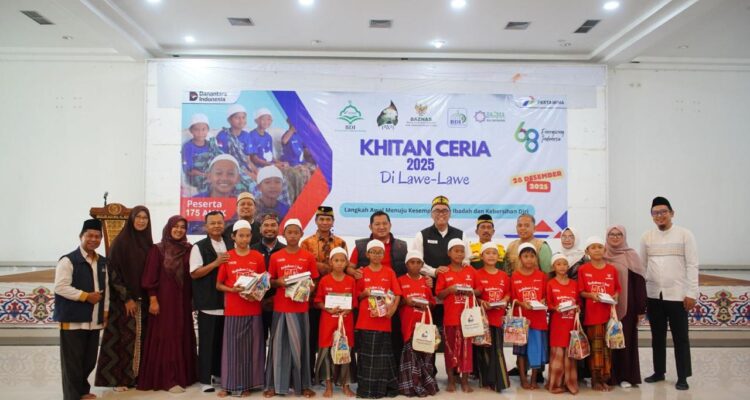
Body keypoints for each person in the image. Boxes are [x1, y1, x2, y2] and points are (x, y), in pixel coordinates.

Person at [640, 196, 698, 391]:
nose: (660, 216)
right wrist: (642, 295)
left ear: (672, 213)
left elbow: (692, 265)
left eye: (663, 212)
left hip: (678, 296)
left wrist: (691, 293)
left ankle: (683, 376)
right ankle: (659, 372)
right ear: (652, 216)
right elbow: (643, 266)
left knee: (681, 338)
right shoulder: (647, 237)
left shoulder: (685, 235)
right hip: (654, 295)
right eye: (655, 213)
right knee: (657, 336)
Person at [138, 216, 197, 393]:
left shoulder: (189, 249)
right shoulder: (158, 249)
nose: (179, 230)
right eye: (175, 226)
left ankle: (184, 375)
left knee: (182, 333)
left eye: (183, 227)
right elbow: (150, 277)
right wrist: (153, 299)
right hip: (164, 301)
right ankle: (169, 378)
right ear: (168, 228)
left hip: (183, 301)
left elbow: (193, 275)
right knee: (167, 336)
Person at [95, 206, 152, 392]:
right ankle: (119, 379)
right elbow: (113, 273)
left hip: (143, 300)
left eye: (145, 218)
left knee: (140, 338)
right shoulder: (121, 242)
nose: (141, 221)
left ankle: (136, 376)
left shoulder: (148, 243)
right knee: (123, 340)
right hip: (123, 302)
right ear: (131, 219)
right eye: (138, 217)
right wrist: (127, 298)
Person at [54, 218, 109, 400]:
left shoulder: (102, 262)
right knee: (72, 362)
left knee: (88, 361)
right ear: (81, 236)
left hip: (94, 320)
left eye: (97, 236)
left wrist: (105, 312)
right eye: (89, 235)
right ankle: (72, 396)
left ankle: (83, 391)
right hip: (73, 319)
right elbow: (60, 287)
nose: (93, 239)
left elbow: (106, 289)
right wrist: (86, 296)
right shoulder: (68, 260)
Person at [347, 210, 410, 366]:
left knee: (394, 339)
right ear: (370, 226)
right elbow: (349, 267)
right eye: (377, 224)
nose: (381, 227)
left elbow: (411, 268)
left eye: (384, 223)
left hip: (394, 300)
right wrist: (354, 272)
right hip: (368, 304)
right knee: (368, 343)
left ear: (390, 225)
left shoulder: (402, 246)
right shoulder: (360, 246)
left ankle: (393, 373)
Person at [264, 219, 319, 398]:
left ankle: (303, 385)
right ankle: (274, 385)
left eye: (296, 232)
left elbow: (314, 281)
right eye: (290, 232)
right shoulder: (276, 256)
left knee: (301, 347)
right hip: (281, 308)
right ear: (284, 234)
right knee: (278, 347)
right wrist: (278, 282)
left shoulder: (308, 256)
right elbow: (269, 281)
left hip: (301, 308)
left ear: (301, 234)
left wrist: (307, 289)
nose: (293, 235)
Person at [216, 220, 267, 397]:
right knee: (232, 350)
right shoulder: (227, 257)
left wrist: (256, 294)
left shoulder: (258, 257)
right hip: (233, 310)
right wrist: (232, 290)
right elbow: (219, 285)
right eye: (241, 236)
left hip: (253, 310)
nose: (244, 239)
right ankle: (228, 384)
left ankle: (247, 385)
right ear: (233, 237)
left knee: (250, 350)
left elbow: (263, 284)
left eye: (247, 236)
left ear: (251, 237)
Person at [301, 206, 348, 373]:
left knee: (334, 336)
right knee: (311, 336)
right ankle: (309, 373)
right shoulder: (306, 243)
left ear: (333, 222)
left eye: (328, 219)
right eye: (321, 219)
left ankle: (332, 374)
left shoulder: (340, 243)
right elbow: (302, 266)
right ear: (316, 221)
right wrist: (317, 266)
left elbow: (345, 266)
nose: (325, 222)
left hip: (336, 298)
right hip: (313, 297)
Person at [354, 239, 402, 398]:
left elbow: (397, 294)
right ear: (367, 254)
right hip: (365, 321)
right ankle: (366, 390)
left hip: (384, 321)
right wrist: (364, 293)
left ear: (384, 254)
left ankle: (382, 389)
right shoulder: (361, 272)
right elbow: (356, 297)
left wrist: (392, 310)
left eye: (379, 252)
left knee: (382, 359)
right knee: (366, 358)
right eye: (373, 252)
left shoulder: (389, 272)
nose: (376, 255)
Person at [189, 211, 229, 393]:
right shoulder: (199, 247)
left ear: (224, 224)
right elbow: (194, 273)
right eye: (212, 223)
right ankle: (205, 379)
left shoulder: (230, 243)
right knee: (206, 343)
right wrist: (215, 263)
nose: (216, 226)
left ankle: (218, 373)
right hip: (208, 302)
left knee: (222, 342)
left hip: (228, 302)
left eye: (219, 222)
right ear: (206, 226)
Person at [604, 225, 647, 388]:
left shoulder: (631, 256)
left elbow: (639, 283)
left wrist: (640, 308)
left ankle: (626, 376)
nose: (615, 237)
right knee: (607, 341)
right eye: (611, 234)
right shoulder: (602, 254)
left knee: (625, 340)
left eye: (619, 234)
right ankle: (608, 376)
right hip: (605, 307)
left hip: (627, 306)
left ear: (624, 236)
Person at [313, 247, 357, 398]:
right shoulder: (325, 280)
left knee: (345, 352)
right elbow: (318, 300)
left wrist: (348, 309)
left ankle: (345, 385)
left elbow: (354, 302)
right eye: (336, 260)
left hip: (345, 322)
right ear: (330, 262)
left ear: (346, 263)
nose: (339, 263)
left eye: (342, 260)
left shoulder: (351, 281)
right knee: (326, 353)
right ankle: (328, 385)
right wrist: (328, 309)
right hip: (327, 322)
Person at [435, 238, 478, 393]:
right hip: (451, 319)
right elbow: (439, 294)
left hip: (468, 320)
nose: (459, 254)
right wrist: (450, 290)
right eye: (456, 251)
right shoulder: (444, 272)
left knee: (467, 352)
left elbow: (479, 290)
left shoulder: (470, 271)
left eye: (462, 251)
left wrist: (470, 291)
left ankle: (465, 381)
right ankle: (451, 380)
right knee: (450, 351)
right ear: (449, 253)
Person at [578, 236, 620, 392]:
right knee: (596, 349)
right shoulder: (583, 269)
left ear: (605, 250)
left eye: (599, 247)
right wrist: (592, 295)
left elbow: (617, 289)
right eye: (593, 247)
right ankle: (595, 380)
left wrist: (616, 296)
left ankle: (605, 378)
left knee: (607, 348)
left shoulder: (612, 269)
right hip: (592, 315)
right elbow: (581, 291)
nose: (597, 250)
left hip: (608, 316)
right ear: (587, 251)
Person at [397, 251, 439, 397]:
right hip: (408, 325)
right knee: (411, 357)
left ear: (422, 265)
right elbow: (396, 302)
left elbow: (432, 303)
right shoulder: (400, 280)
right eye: (412, 262)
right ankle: (410, 387)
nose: (415, 265)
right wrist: (406, 302)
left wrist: (424, 304)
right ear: (406, 264)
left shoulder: (426, 282)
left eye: (418, 262)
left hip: (424, 326)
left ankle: (426, 385)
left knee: (425, 357)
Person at [509, 243, 549, 390]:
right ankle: (523, 379)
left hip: (538, 319)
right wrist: (521, 303)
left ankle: (533, 379)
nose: (529, 259)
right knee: (521, 352)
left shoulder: (542, 276)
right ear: (520, 258)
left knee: (536, 350)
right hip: (521, 320)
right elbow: (511, 299)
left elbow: (546, 296)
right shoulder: (514, 276)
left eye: (532, 256)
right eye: (526, 256)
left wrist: (543, 301)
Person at [474, 242, 511, 392]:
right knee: (484, 350)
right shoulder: (477, 274)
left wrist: (505, 300)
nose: (491, 256)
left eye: (494, 253)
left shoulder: (503, 275)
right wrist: (482, 302)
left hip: (498, 318)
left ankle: (499, 382)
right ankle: (485, 380)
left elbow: (508, 293)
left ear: (498, 256)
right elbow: (473, 295)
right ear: (481, 256)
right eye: (488, 253)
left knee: (497, 350)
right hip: (483, 320)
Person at [546, 253, 579, 395]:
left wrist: (577, 308)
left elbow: (579, 302)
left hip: (571, 325)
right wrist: (555, 308)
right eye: (558, 264)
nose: (562, 267)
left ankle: (570, 384)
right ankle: (554, 384)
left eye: (565, 264)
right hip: (557, 326)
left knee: (570, 357)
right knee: (557, 356)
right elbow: (548, 304)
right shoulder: (550, 284)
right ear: (553, 267)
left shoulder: (574, 284)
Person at [251, 212, 286, 342]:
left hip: (280, 305)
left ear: (278, 228)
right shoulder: (252, 250)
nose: (269, 228)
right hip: (256, 304)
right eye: (266, 225)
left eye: (273, 225)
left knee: (279, 342)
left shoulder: (286, 250)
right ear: (260, 229)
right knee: (257, 342)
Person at [216, 104, 257, 179]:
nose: (241, 120)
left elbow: (247, 160)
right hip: (229, 168)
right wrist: (247, 173)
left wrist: (256, 171)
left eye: (243, 117)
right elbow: (222, 160)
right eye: (237, 118)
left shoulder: (246, 135)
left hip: (244, 168)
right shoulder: (222, 136)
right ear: (229, 120)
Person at [182, 113, 221, 190]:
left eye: (203, 129)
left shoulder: (211, 145)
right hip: (195, 176)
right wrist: (205, 175)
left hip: (211, 173)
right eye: (196, 129)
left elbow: (218, 160)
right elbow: (189, 170)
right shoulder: (188, 147)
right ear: (191, 130)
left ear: (208, 130)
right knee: (209, 185)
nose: (200, 133)